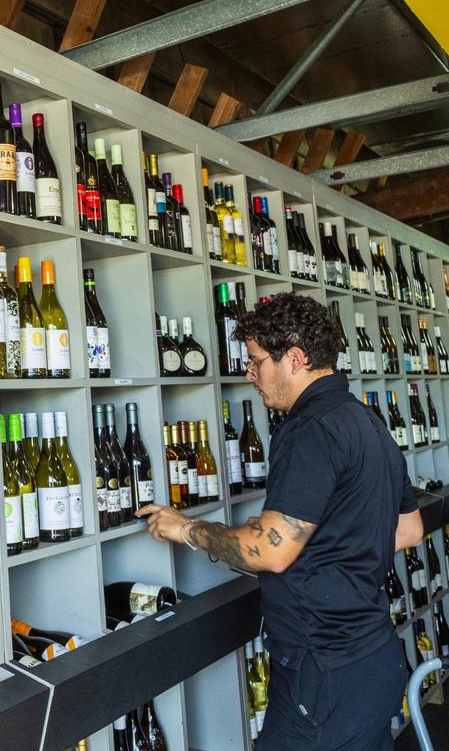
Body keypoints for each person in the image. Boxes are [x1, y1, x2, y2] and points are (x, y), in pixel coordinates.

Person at [138, 292, 423, 750]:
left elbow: (268, 552)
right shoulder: (366, 421)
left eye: (256, 362)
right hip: (373, 656)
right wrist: (314, 546)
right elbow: (409, 530)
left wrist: (186, 529)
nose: (250, 375)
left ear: (294, 358)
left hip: (322, 672)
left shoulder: (308, 430)